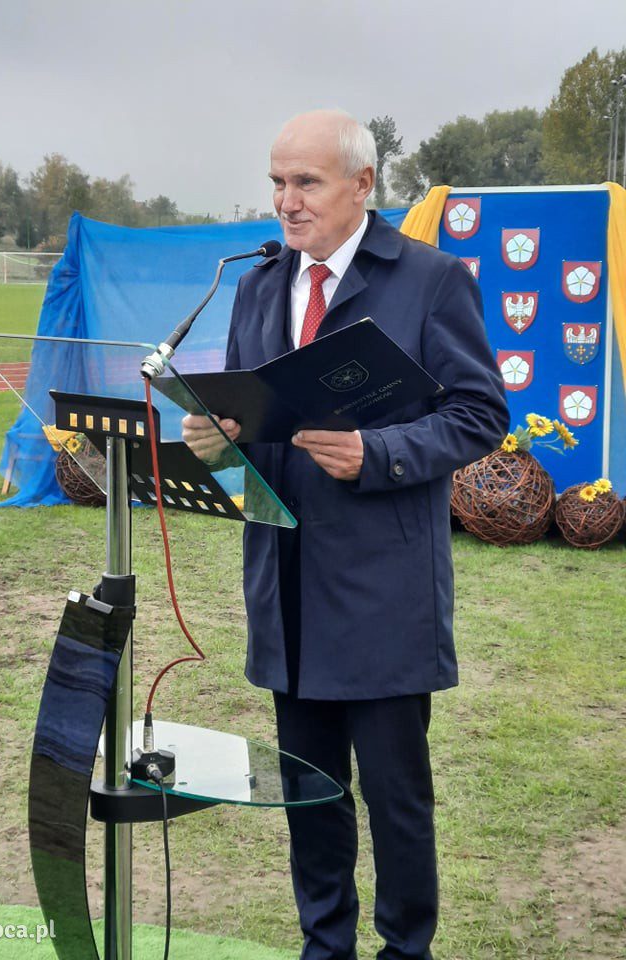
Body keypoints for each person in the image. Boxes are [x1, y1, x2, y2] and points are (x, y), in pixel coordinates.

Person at [184, 109, 509, 960]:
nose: (286, 201)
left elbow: (480, 414)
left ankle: (406, 949)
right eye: (277, 183)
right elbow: (254, 417)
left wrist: (379, 453)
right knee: (308, 792)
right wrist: (219, 439)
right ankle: (323, 946)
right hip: (285, 583)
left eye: (306, 182)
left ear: (363, 184)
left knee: (396, 801)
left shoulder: (433, 280)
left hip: (383, 589)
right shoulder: (258, 285)